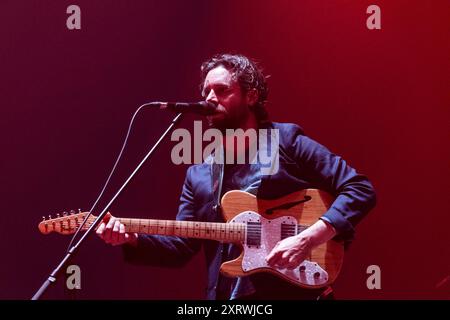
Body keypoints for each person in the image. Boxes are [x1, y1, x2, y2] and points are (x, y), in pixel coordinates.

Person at [96, 53, 377, 300]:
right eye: (206, 91)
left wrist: (308, 238)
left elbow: (359, 188)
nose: (209, 98)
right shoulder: (200, 174)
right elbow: (181, 247)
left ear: (251, 96)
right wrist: (132, 239)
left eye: (222, 90)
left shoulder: (287, 142)